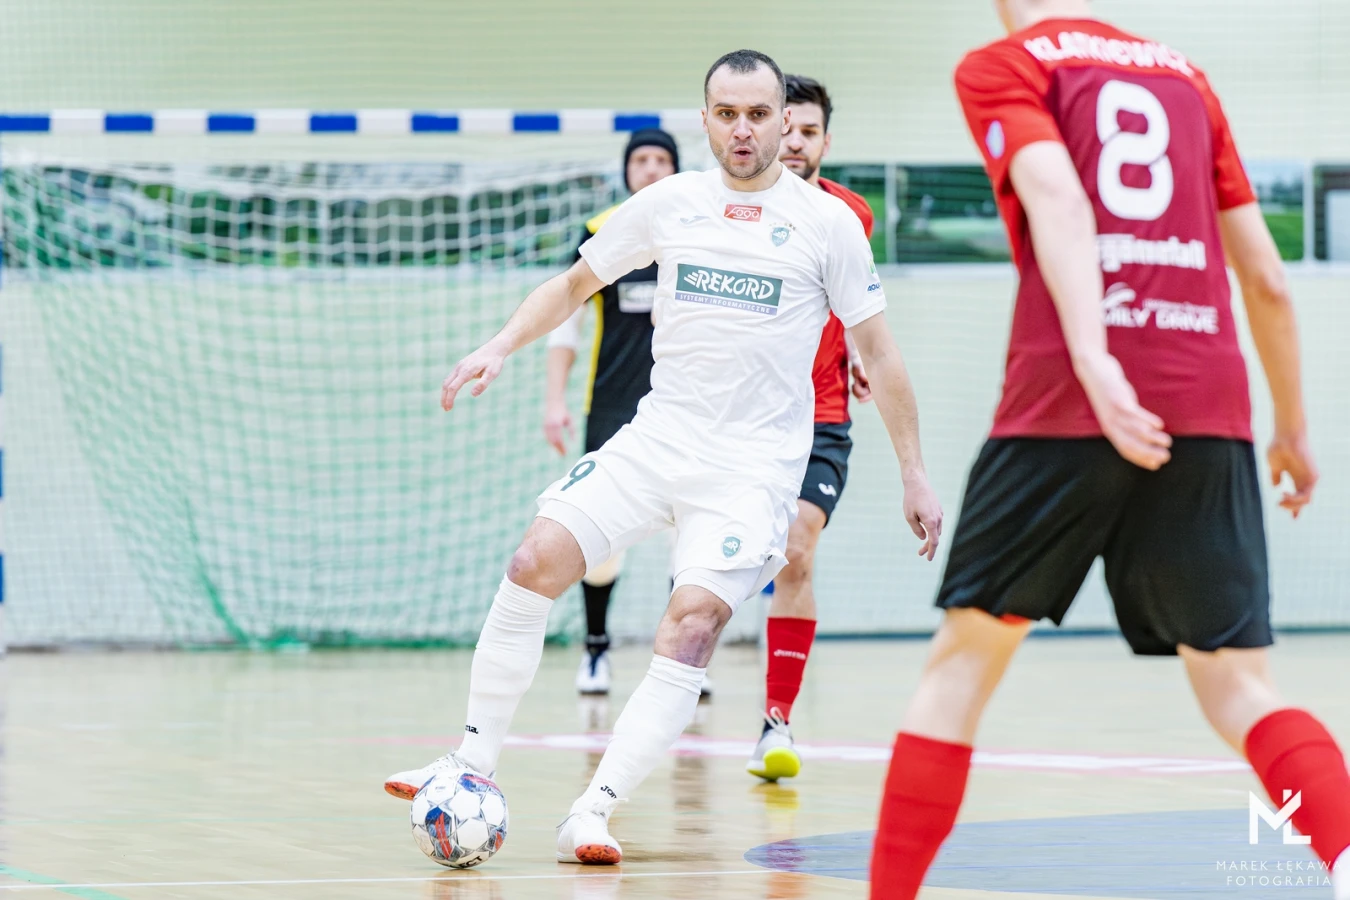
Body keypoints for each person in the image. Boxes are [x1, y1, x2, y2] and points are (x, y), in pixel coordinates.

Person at [387, 48, 943, 866]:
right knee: (533, 560)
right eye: (728, 114)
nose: (745, 129)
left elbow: (882, 354)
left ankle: (593, 810)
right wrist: (499, 344)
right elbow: (572, 285)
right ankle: (470, 762)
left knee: (690, 627)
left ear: (783, 121)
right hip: (656, 440)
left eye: (760, 115)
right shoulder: (668, 202)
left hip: (751, 472)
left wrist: (914, 472)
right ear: (706, 119)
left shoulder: (828, 225)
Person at [869, 2, 1350, 898]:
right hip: (1206, 405)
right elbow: (1267, 280)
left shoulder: (1008, 64)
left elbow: (1057, 196)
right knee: (1240, 687)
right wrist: (1292, 427)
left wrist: (1093, 359)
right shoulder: (1186, 77)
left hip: (1063, 402)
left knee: (963, 665)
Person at [746, 73, 876, 782]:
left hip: (821, 413)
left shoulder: (850, 215)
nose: (794, 142)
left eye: (808, 131)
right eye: (785, 128)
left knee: (798, 548)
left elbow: (855, 300)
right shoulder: (732, 211)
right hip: (738, 417)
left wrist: (856, 349)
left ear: (826, 140)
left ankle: (776, 721)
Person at [541, 129, 692, 696]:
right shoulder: (599, 232)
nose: (651, 168)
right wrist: (554, 401)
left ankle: (686, 661)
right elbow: (566, 324)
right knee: (602, 534)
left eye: (662, 159)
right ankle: (596, 650)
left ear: (675, 168)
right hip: (611, 408)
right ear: (627, 170)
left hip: (687, 409)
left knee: (689, 537)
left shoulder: (697, 231)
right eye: (641, 159)